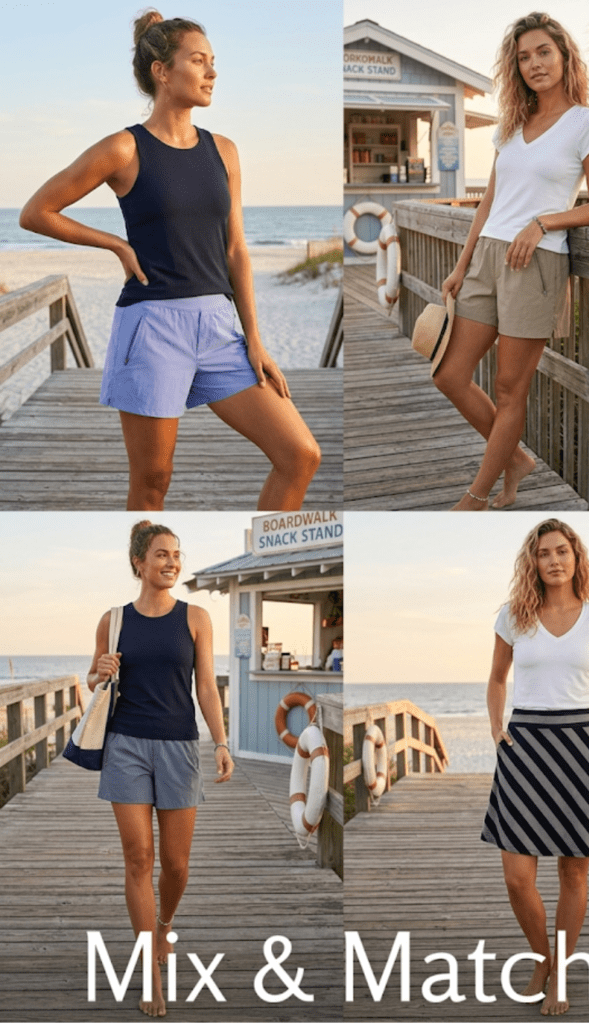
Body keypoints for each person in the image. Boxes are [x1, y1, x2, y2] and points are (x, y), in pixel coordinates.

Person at [19, 11, 321, 513]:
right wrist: (115, 244)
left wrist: (256, 339)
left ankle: (267, 549)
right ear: (162, 71)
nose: (212, 73)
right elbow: (36, 212)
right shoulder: (124, 147)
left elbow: (236, 250)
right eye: (198, 61)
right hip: (153, 324)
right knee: (154, 480)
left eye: (213, 62)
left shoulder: (223, 150)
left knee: (300, 454)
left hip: (220, 328)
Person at [436, 12, 589, 510]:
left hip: (536, 263)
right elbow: (489, 202)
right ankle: (514, 459)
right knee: (448, 373)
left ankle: (477, 494)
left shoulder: (586, 122)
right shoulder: (512, 125)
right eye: (524, 57)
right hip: (488, 257)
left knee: (510, 389)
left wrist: (543, 223)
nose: (534, 64)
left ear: (564, 56)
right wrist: (461, 264)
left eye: (543, 52)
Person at [88, 520, 233, 1017]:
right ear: (139, 563)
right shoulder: (113, 619)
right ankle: (149, 968)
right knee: (138, 859)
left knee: (176, 865)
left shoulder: (196, 617)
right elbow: (93, 677)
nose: (172, 562)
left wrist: (221, 742)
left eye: (176, 555)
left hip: (178, 746)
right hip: (125, 744)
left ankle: (165, 923)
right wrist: (99, 671)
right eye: (161, 555)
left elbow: (207, 687)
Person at [481, 518, 589, 1015]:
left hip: (581, 749)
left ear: (576, 558)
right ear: (534, 563)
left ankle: (559, 971)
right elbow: (497, 679)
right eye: (545, 553)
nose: (555, 560)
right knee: (517, 876)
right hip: (526, 748)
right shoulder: (513, 617)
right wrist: (497, 730)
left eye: (563, 551)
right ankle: (541, 956)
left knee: (573, 871)